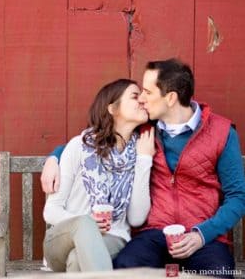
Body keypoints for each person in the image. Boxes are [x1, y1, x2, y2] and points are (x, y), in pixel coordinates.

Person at [41, 58, 245, 278]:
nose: (143, 99)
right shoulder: (145, 130)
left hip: (202, 235)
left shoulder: (221, 132)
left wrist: (201, 235)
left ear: (170, 98)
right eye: (138, 95)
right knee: (126, 267)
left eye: (147, 92)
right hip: (153, 234)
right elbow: (97, 140)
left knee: (220, 274)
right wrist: (54, 157)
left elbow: (238, 196)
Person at [43, 78, 155, 272]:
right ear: (112, 109)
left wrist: (144, 159)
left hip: (113, 239)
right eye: (135, 96)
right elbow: (51, 211)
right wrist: (88, 224)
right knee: (85, 224)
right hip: (61, 241)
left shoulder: (140, 152)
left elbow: (136, 218)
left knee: (78, 259)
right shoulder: (79, 147)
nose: (142, 101)